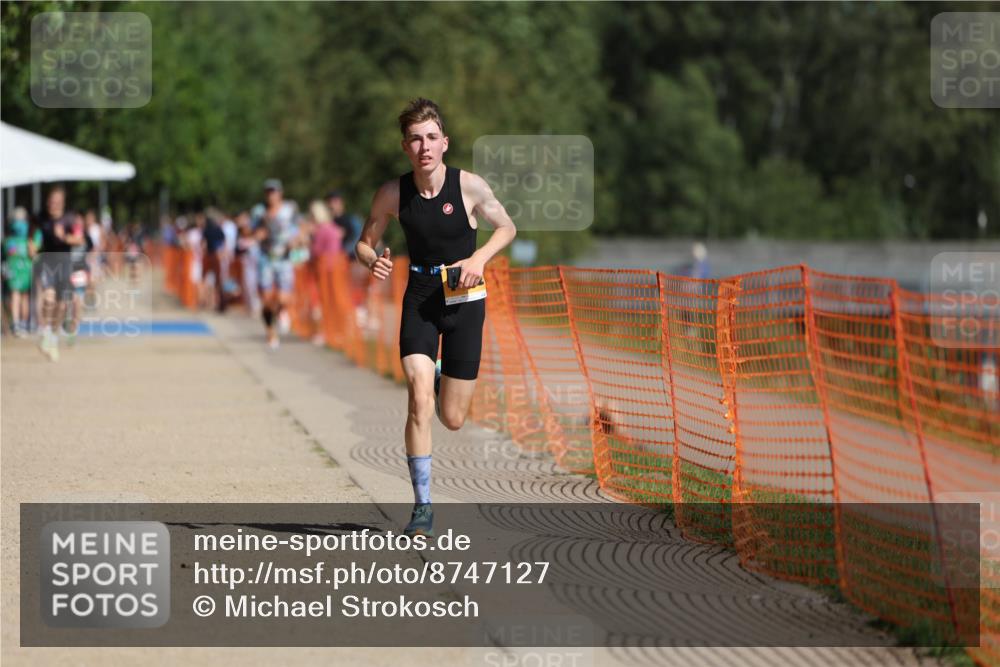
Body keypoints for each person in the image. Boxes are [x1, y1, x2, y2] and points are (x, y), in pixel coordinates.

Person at [355, 98, 516, 536]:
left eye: (431, 138)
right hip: (421, 298)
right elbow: (365, 242)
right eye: (415, 139)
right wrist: (372, 260)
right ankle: (423, 506)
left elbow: (507, 227)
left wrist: (479, 258)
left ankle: (444, 379)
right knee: (418, 399)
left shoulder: (470, 187)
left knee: (453, 418)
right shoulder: (393, 193)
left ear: (445, 142)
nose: (424, 147)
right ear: (405, 147)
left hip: (465, 299)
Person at [252, 179, 302, 349]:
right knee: (266, 299)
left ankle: (281, 312)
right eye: (268, 192)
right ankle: (270, 332)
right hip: (266, 258)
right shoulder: (259, 212)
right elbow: (252, 231)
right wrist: (258, 234)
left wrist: (296, 240)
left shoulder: (290, 209)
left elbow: (300, 228)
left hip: (284, 258)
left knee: (283, 298)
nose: (270, 195)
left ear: (280, 193)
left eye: (273, 191)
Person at [36, 186, 83, 361]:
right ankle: (45, 331)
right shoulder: (41, 217)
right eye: (51, 201)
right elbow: (33, 236)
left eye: (57, 202)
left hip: (65, 265)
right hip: (47, 263)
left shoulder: (70, 219)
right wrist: (32, 245)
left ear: (62, 203)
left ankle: (52, 337)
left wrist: (64, 237)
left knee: (62, 306)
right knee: (49, 298)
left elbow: (79, 239)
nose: (53, 205)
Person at [307, 199, 344, 345]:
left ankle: (322, 332)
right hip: (336, 268)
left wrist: (310, 240)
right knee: (333, 300)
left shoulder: (321, 230)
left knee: (320, 302)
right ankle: (336, 331)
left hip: (323, 269)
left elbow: (316, 251)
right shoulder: (333, 228)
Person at [3, 207, 42, 336]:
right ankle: (21, 324)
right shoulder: (28, 238)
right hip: (23, 268)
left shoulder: (9, 239)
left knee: (18, 295)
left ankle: (18, 324)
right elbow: (33, 254)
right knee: (22, 296)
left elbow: (8, 254)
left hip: (17, 269)